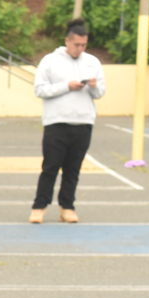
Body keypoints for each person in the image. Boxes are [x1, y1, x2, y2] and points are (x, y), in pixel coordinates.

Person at [30, 19, 103, 224]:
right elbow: (40, 89)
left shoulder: (92, 62)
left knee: (73, 169)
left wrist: (94, 86)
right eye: (76, 45)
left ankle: (67, 207)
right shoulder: (50, 61)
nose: (80, 49)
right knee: (50, 167)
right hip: (57, 122)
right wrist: (66, 86)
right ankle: (39, 207)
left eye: (83, 45)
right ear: (67, 41)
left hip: (83, 123)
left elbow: (100, 93)